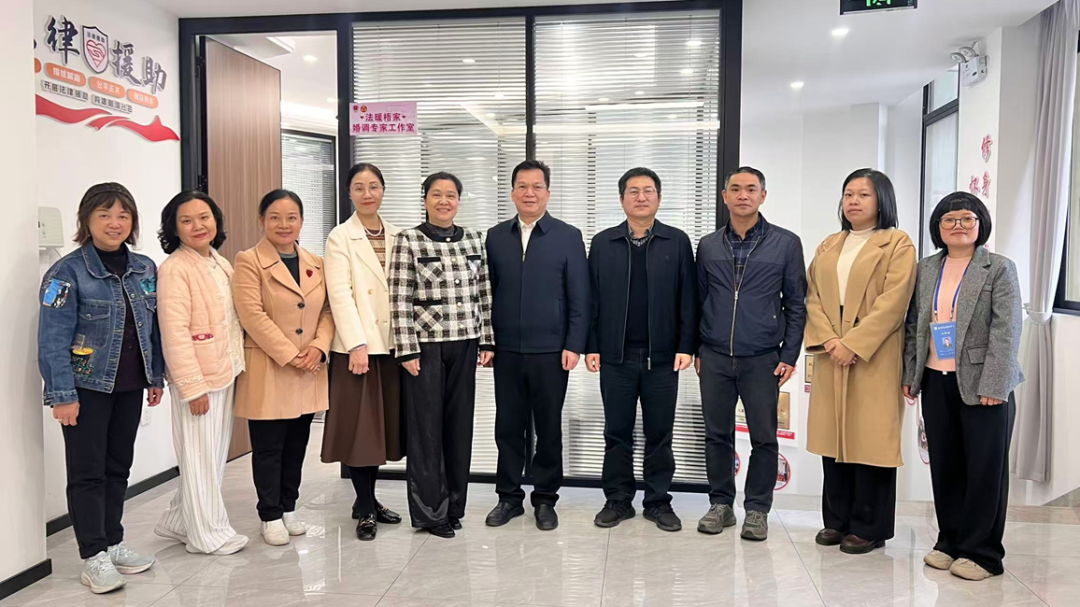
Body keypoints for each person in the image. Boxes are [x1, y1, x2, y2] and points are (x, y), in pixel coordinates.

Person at [38, 183, 163, 594]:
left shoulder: (144, 268)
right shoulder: (66, 273)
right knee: (87, 473)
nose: (115, 223)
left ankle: (112, 542)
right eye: (105, 215)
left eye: (123, 215)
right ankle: (93, 556)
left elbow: (152, 329)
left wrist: (154, 377)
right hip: (85, 388)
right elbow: (52, 339)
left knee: (118, 468)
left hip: (129, 386)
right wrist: (62, 395)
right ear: (87, 220)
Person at [903, 192, 1023, 581]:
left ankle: (982, 553)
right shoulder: (926, 267)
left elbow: (1007, 330)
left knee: (984, 469)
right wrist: (911, 374)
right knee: (946, 464)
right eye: (949, 219)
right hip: (936, 379)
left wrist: (996, 383)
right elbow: (915, 325)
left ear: (980, 224)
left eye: (966, 219)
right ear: (937, 227)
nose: (958, 226)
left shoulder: (998, 267)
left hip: (984, 384)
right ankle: (949, 542)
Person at [804, 168, 916, 555]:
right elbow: (812, 298)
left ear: (881, 200)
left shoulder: (897, 243)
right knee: (833, 437)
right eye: (848, 194)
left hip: (874, 354)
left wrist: (853, 343)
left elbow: (894, 303)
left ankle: (870, 526)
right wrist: (831, 340)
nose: (853, 201)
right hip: (832, 351)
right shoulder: (830, 244)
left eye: (863, 194)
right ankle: (837, 520)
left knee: (871, 440)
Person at [694, 167, 807, 541]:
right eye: (736, 189)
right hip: (714, 355)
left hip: (762, 357)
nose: (743, 195)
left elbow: (796, 303)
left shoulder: (785, 244)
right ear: (725, 196)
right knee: (716, 435)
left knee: (764, 437)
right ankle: (721, 504)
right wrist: (697, 347)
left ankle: (757, 509)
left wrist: (789, 354)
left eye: (751, 189)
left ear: (763, 196)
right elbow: (698, 299)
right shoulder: (708, 245)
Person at [586, 167, 698, 532]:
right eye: (633, 191)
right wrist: (591, 345)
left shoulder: (677, 241)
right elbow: (591, 298)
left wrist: (686, 345)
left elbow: (688, 297)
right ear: (621, 200)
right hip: (615, 357)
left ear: (659, 198)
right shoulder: (603, 242)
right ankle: (618, 500)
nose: (641, 197)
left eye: (648, 190)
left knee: (659, 434)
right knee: (616, 433)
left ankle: (657, 501)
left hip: (662, 358)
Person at [484, 160, 590, 531]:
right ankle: (508, 498)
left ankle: (545, 499)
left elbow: (580, 295)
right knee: (508, 427)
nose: (529, 193)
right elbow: (487, 294)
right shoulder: (496, 236)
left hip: (551, 351)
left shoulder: (568, 235)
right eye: (522, 186)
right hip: (507, 350)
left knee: (548, 429)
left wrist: (574, 343)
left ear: (548, 192)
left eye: (537, 186)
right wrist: (488, 341)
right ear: (513, 192)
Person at [389, 171, 495, 539]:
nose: (444, 201)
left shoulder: (474, 240)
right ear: (425, 200)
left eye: (451, 195)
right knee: (426, 431)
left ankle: (453, 506)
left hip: (466, 342)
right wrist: (406, 349)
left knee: (458, 428)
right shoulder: (409, 240)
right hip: (425, 347)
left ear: (459, 201)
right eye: (436, 194)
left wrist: (487, 341)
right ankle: (430, 513)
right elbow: (399, 298)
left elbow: (485, 294)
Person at [233, 189, 335, 547]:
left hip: (309, 368)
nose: (284, 224)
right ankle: (270, 514)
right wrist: (292, 355)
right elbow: (251, 315)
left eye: (292, 217)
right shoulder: (249, 261)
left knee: (296, 444)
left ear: (302, 221)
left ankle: (289, 506)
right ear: (262, 220)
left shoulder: (316, 262)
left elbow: (327, 311)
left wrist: (320, 347)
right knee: (269, 447)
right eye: (275, 217)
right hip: (270, 367)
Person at [154, 191, 248, 556]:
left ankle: (179, 520)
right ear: (174, 228)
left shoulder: (218, 262)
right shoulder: (175, 269)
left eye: (204, 217)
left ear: (216, 221)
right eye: (187, 220)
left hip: (224, 370)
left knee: (210, 455)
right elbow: (174, 333)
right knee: (199, 459)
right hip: (198, 380)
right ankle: (209, 534)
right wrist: (192, 388)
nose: (198, 226)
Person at [322, 163, 405, 541]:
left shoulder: (400, 235)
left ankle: (366, 500)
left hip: (392, 346)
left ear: (383, 190)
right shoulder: (340, 237)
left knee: (380, 431)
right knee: (361, 432)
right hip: (357, 350)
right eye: (359, 187)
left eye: (373, 186)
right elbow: (339, 294)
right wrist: (357, 344)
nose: (367, 194)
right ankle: (366, 508)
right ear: (349, 193)